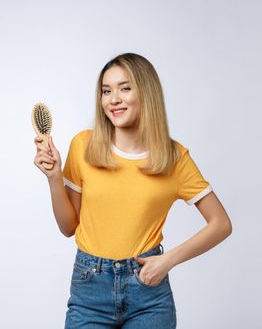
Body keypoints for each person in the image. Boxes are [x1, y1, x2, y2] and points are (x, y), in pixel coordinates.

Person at [34, 52, 232, 328]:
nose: (113, 99)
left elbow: (221, 224)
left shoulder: (174, 158)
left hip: (148, 293)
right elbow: (69, 227)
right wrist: (54, 178)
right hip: (90, 287)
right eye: (106, 91)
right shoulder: (83, 146)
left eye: (124, 88)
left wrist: (168, 260)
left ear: (146, 93)